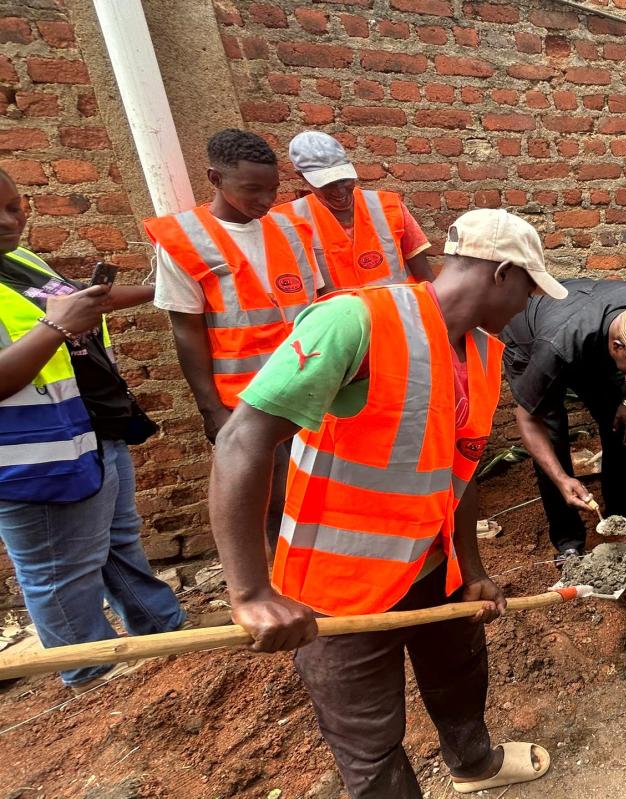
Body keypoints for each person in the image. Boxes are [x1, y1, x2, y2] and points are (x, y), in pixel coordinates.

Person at [207, 208, 564, 797]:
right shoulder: (356, 321)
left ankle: (473, 766)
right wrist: (249, 593)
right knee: (370, 745)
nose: (526, 306)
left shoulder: (480, 354)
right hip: (340, 588)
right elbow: (240, 441)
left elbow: (460, 469)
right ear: (502, 273)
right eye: (528, 289)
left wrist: (470, 570)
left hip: (433, 566)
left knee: (459, 677)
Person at [0, 167, 185, 692]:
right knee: (60, 573)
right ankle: (93, 680)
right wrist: (57, 326)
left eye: (13, 206)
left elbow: (80, 304)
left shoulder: (18, 262)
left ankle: (164, 638)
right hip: (32, 459)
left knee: (117, 543)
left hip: (88, 433)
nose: (7, 221)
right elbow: (57, 324)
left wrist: (160, 289)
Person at [145, 129, 323, 548]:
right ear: (215, 178)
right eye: (252, 189)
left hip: (311, 390)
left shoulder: (292, 231)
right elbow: (186, 332)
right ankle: (287, 589)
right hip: (247, 402)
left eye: (272, 189)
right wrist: (211, 411)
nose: (265, 200)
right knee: (274, 502)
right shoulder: (184, 241)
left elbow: (315, 310)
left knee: (319, 494)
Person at [501, 279, 626, 559]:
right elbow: (527, 419)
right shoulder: (554, 347)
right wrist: (561, 478)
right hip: (533, 340)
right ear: (618, 347)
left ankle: (624, 517)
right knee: (552, 435)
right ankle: (567, 538)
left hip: (590, 336)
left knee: (621, 425)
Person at [274, 131, 436, 289]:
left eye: (344, 179)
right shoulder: (286, 222)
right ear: (301, 176)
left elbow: (425, 275)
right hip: (339, 316)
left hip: (396, 314)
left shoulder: (389, 206)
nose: (339, 191)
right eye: (327, 184)